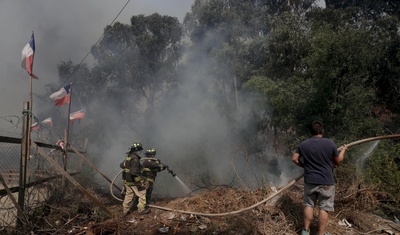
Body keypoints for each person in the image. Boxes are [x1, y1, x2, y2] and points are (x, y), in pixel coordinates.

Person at [291, 121, 348, 235]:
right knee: (324, 208)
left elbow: (294, 158)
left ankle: (305, 231)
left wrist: (304, 166)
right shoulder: (330, 143)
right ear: (322, 131)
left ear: (310, 132)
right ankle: (320, 234)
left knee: (308, 205)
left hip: (310, 180)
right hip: (326, 182)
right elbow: (338, 162)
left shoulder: (303, 144)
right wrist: (343, 150)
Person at [120, 142, 150, 218]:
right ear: (137, 150)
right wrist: (139, 182)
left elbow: (121, 165)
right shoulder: (135, 158)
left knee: (129, 195)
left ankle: (125, 211)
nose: (140, 152)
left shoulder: (129, 157)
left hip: (127, 180)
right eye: (139, 150)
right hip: (133, 180)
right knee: (142, 192)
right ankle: (141, 209)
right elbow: (134, 172)